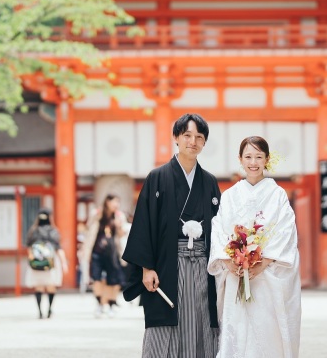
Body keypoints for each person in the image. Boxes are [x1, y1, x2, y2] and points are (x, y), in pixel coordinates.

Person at [122, 113, 222, 357]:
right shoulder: (158, 178)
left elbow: (219, 228)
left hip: (202, 265)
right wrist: (146, 267)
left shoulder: (209, 182)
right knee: (165, 324)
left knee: (202, 320)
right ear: (176, 137)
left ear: (204, 142)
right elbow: (144, 224)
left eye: (199, 137)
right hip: (167, 266)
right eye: (187, 135)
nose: (193, 141)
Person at [208, 136, 301, 358]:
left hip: (266, 275)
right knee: (237, 327)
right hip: (237, 274)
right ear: (240, 159)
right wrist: (230, 260)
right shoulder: (229, 195)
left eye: (259, 157)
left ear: (267, 159)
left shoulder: (277, 195)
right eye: (248, 156)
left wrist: (263, 261)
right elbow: (219, 228)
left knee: (266, 328)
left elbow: (285, 231)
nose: (253, 162)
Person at [81, 194, 127, 317]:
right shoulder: (96, 213)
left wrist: (119, 226)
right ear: (107, 202)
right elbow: (88, 228)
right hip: (97, 251)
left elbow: (122, 234)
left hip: (113, 252)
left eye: (118, 202)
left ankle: (111, 304)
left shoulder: (119, 216)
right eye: (114, 202)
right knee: (96, 278)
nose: (116, 205)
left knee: (114, 279)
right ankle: (100, 304)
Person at [25, 207, 68, 319]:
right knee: (50, 286)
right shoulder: (53, 231)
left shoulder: (33, 231)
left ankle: (40, 311)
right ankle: (49, 309)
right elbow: (58, 248)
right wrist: (64, 263)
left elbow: (29, 247)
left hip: (36, 262)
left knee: (38, 287)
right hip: (50, 262)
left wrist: (31, 258)